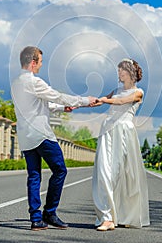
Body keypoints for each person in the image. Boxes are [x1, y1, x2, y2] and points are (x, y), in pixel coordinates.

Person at [11, 46, 96, 231]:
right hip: (41, 135)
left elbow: (38, 104)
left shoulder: (16, 83)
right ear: (33, 63)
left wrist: (60, 108)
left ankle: (36, 219)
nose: (41, 65)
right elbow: (57, 95)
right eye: (40, 61)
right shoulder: (35, 82)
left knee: (34, 176)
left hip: (25, 137)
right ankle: (49, 213)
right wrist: (84, 101)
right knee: (60, 170)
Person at [92, 58, 150, 231]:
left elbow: (121, 102)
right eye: (118, 70)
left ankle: (124, 215)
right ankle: (107, 218)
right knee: (104, 172)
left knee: (122, 175)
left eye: (121, 70)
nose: (119, 73)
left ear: (130, 72)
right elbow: (103, 100)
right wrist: (87, 102)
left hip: (124, 133)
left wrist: (106, 100)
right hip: (108, 131)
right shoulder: (115, 90)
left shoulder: (138, 92)